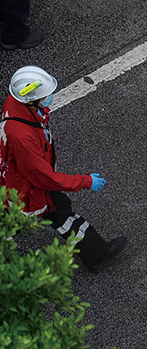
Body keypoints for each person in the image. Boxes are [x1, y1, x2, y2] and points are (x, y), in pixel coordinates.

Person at [0, 66, 127, 271]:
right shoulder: (23, 137)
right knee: (54, 215)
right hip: (29, 191)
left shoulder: (15, 104)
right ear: (32, 100)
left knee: (57, 215)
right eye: (45, 96)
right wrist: (84, 181)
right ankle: (95, 254)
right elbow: (43, 177)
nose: (49, 98)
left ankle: (94, 253)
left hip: (19, 184)